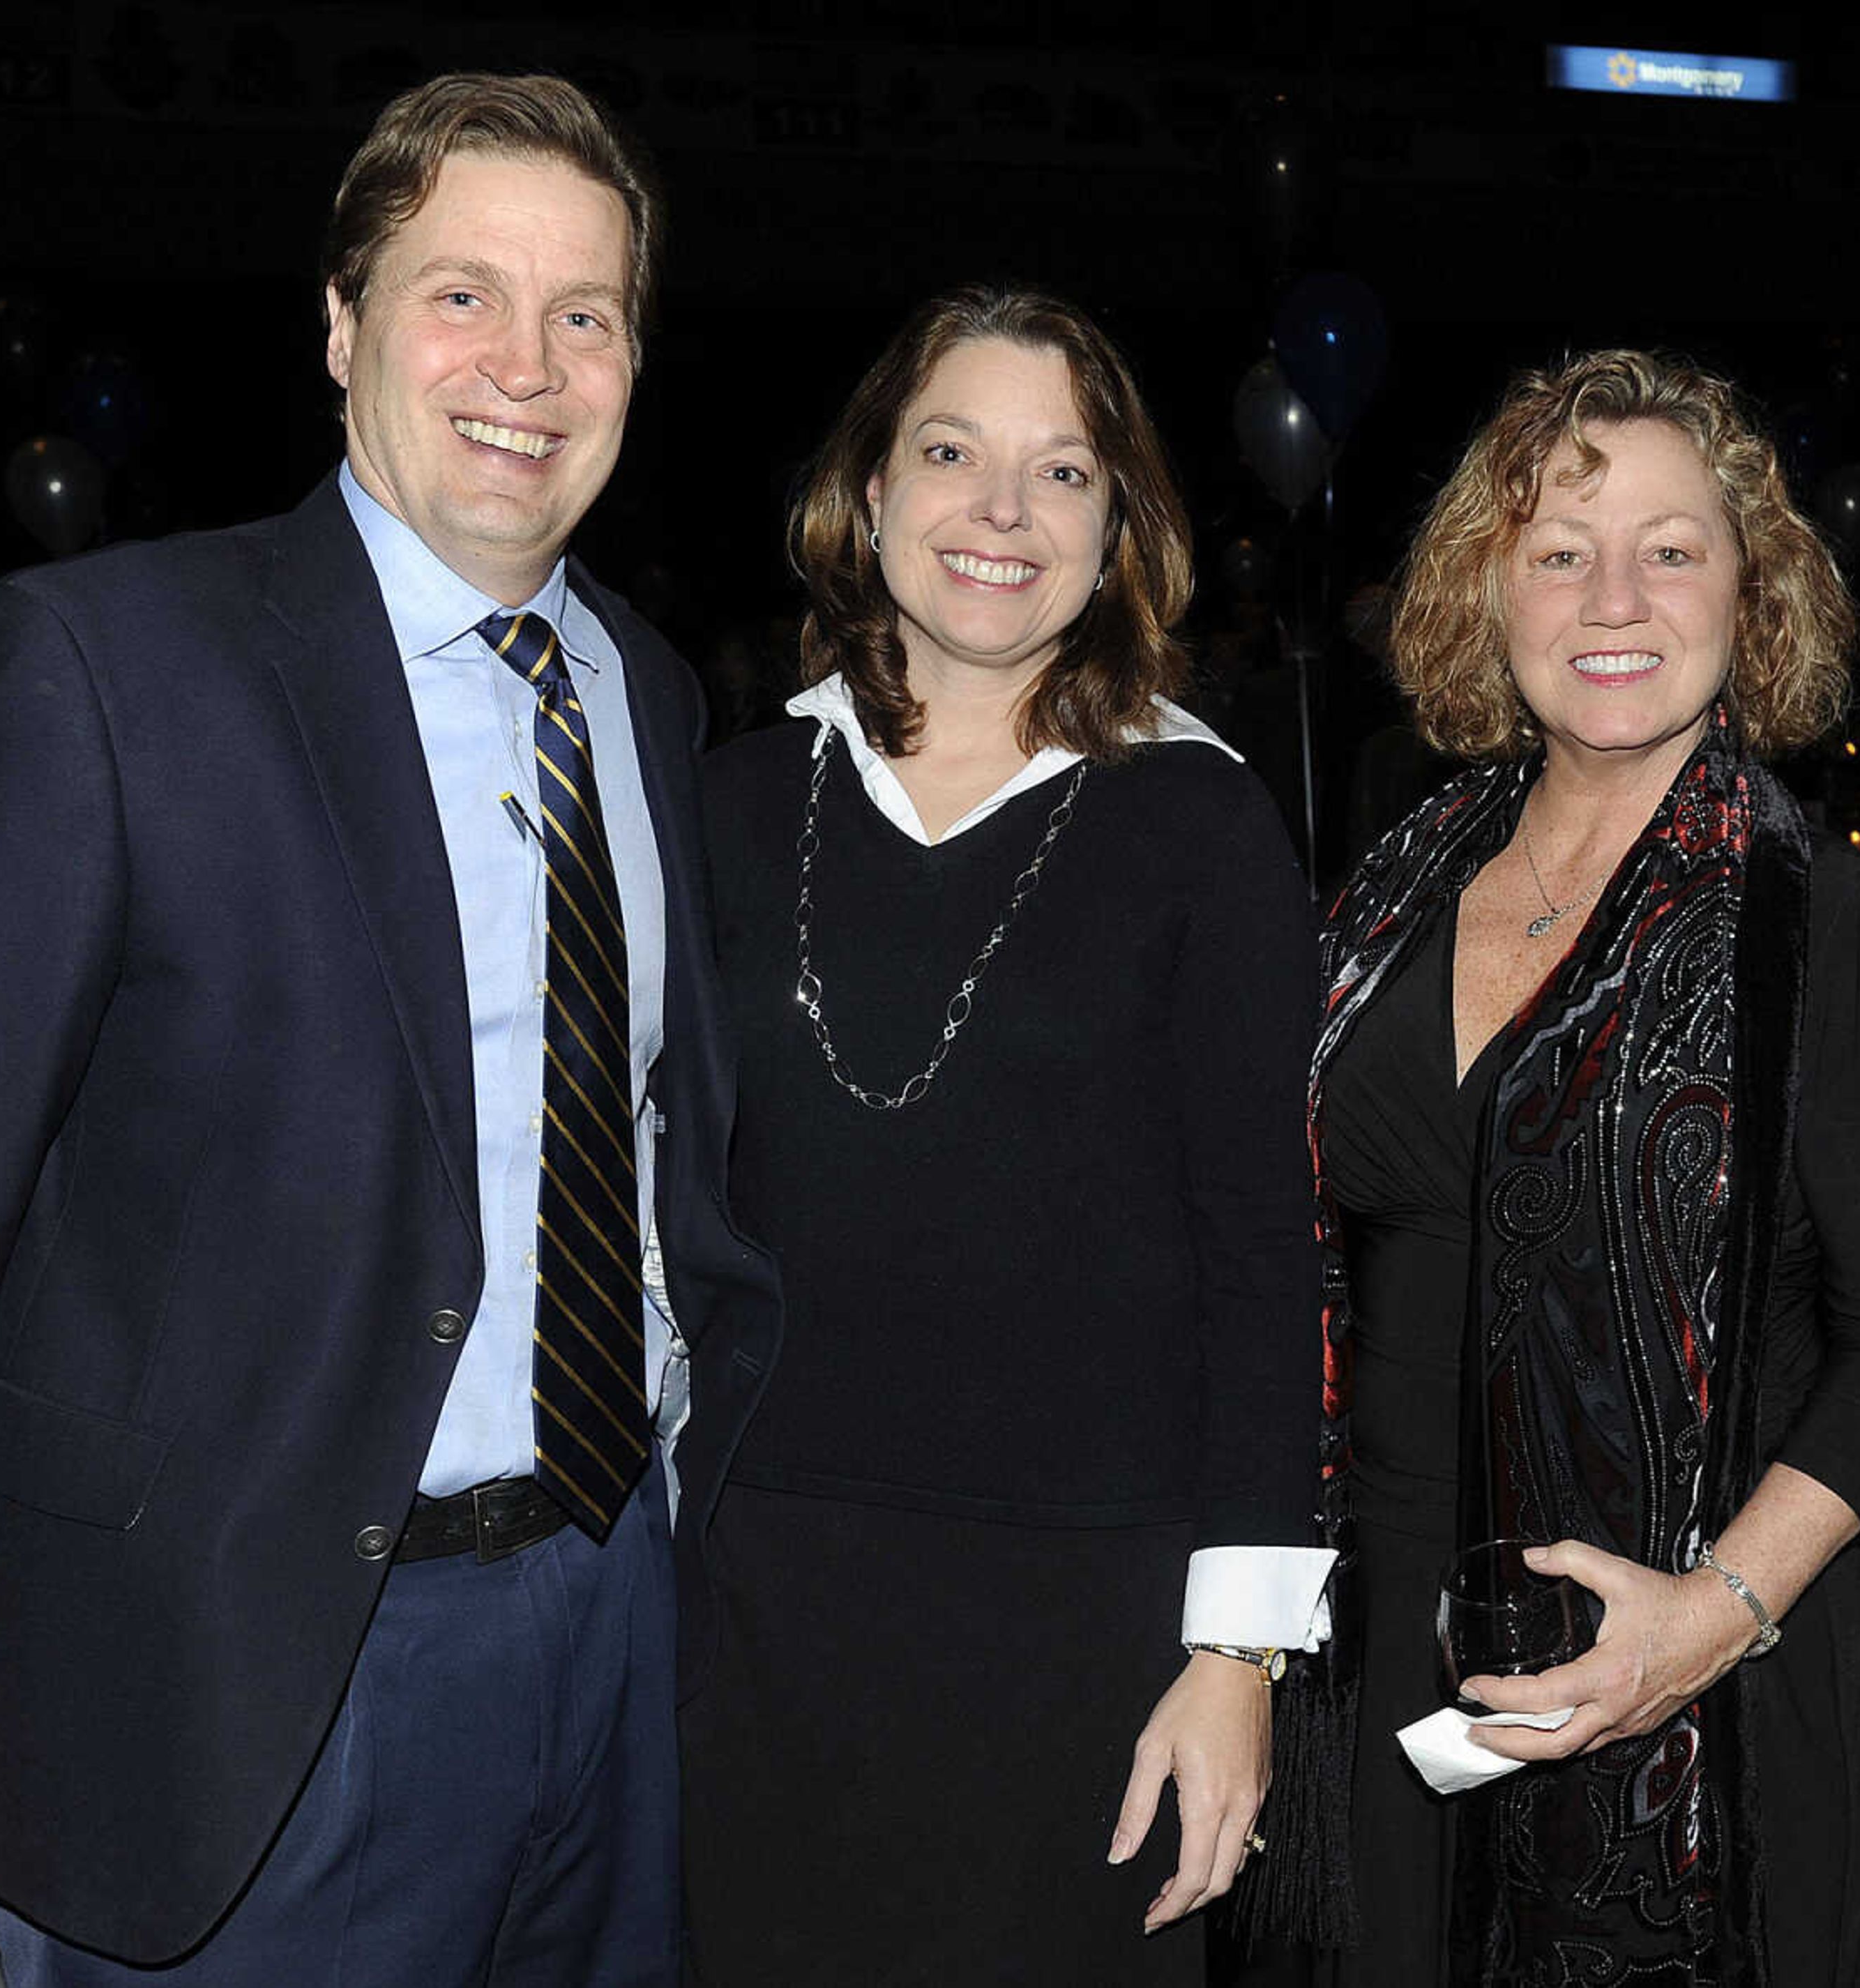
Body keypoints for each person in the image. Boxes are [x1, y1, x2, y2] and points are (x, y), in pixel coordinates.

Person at [0, 73, 778, 1987]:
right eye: (462, 293)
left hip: (610, 1620)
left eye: (588, 315)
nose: (527, 367)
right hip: (233, 1680)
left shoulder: (642, 690)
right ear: (339, 323)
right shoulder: (99, 669)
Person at [681, 285, 1333, 1986]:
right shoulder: (734, 801)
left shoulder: (1200, 818)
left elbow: (1270, 1248)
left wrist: (1239, 1658)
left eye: (1063, 473)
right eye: (954, 452)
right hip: (757, 1601)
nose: (1001, 511)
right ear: (871, 492)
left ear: (1116, 528)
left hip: (1091, 1622)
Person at [1293, 351, 1860, 1985]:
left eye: (1673, 547)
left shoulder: (1817, 919)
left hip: (1682, 1667)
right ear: (1488, 590)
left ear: (1754, 592)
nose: (1617, 594)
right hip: (1377, 1652)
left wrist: (1713, 1616)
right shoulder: (1403, 869)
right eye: (1560, 548)